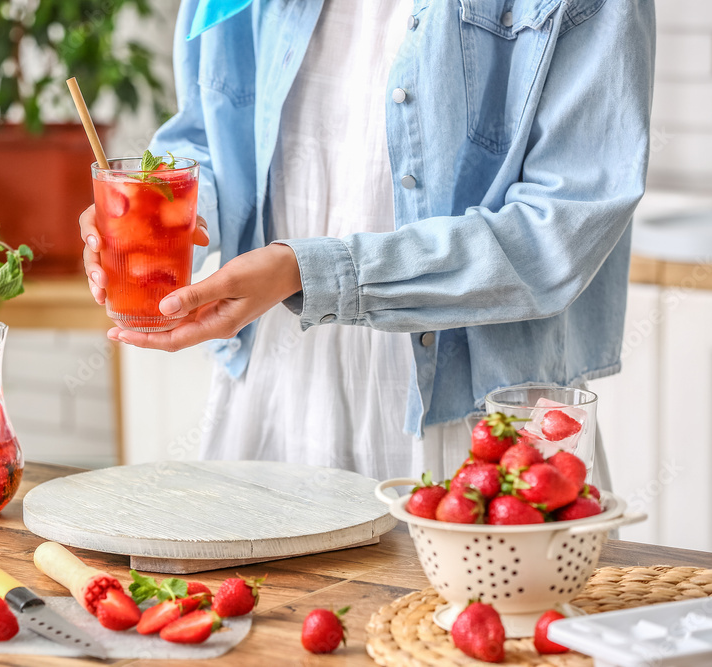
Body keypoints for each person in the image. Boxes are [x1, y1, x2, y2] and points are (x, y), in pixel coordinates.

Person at [79, 0, 656, 485]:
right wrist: (155, 217)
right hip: (273, 388)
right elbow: (208, 134)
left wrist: (311, 273)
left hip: (475, 421)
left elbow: (559, 232)